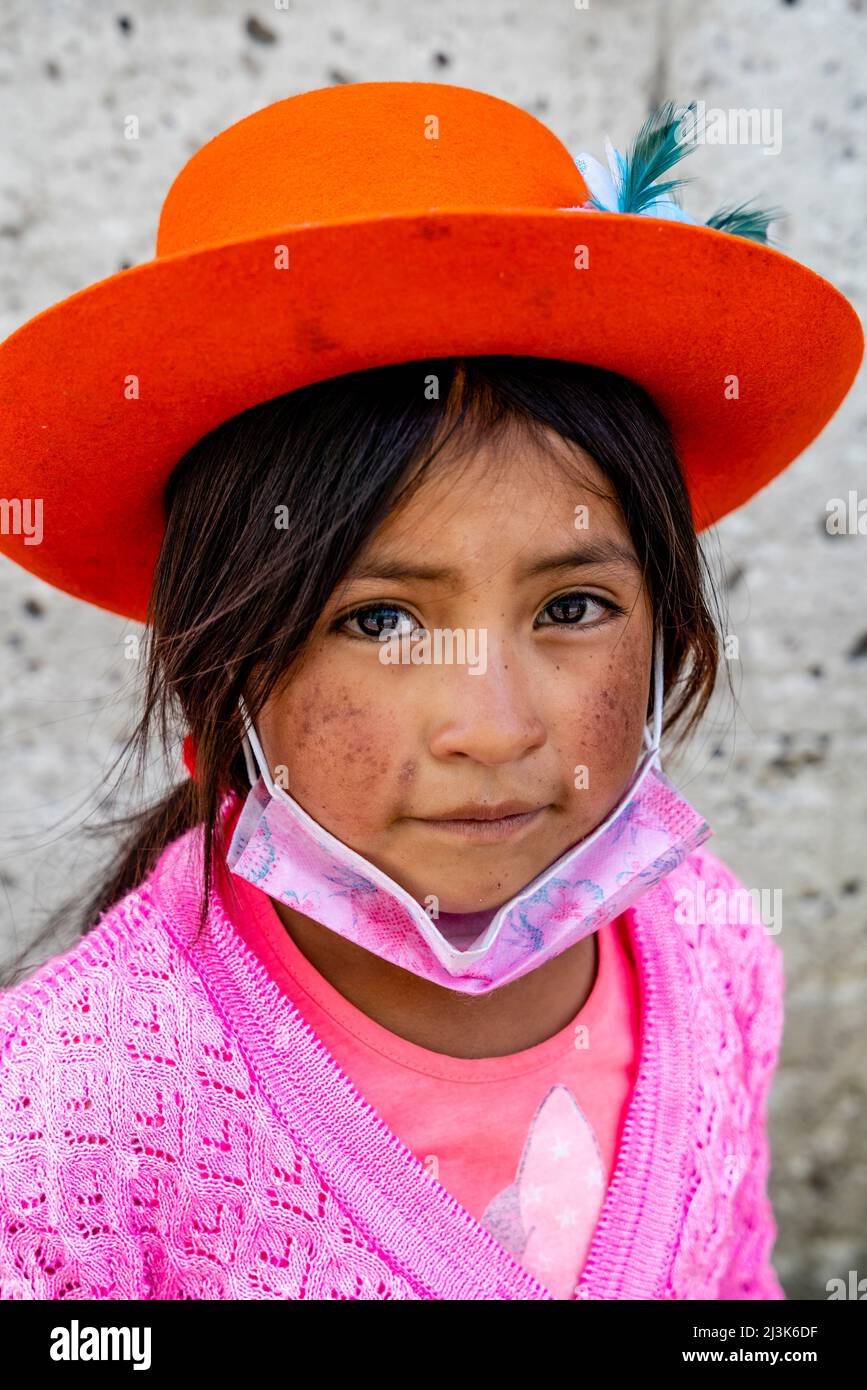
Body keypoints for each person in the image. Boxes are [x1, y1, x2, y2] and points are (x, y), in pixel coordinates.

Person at [0, 83, 861, 1301]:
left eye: (572, 608)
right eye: (381, 620)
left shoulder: (713, 944)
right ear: (222, 670)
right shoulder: (69, 1118)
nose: (496, 726)